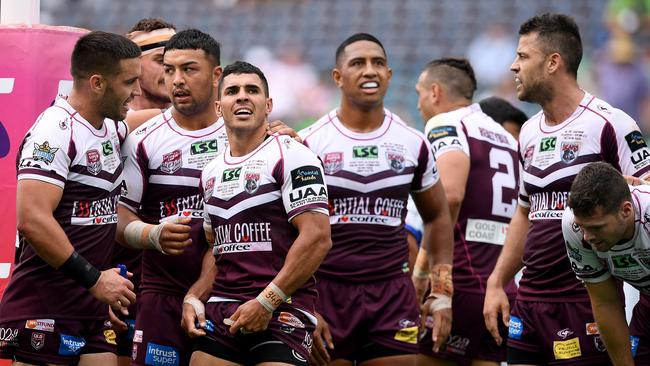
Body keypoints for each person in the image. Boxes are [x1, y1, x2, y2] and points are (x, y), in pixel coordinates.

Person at [482, 13, 650, 365]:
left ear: (553, 62)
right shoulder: (527, 132)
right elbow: (525, 212)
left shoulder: (610, 124)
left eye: (523, 56)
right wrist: (498, 281)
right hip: (528, 302)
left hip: (585, 301)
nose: (513, 67)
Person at [300, 33, 454, 366]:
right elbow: (289, 232)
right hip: (326, 295)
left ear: (389, 75)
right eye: (358, 63)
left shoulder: (413, 143)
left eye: (378, 63)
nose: (370, 71)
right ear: (338, 77)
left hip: (391, 296)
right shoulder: (309, 143)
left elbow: (439, 216)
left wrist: (441, 292)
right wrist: (301, 306)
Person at [0, 31, 140, 365]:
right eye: (129, 82)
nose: (137, 92)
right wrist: (95, 280)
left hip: (91, 306)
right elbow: (32, 219)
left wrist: (248, 125)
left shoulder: (112, 128)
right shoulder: (54, 131)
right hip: (45, 305)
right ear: (97, 83)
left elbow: (160, 121)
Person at [181, 60, 331, 365]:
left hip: (282, 308)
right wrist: (194, 296)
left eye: (252, 90)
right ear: (219, 106)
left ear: (269, 105)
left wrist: (266, 302)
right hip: (224, 307)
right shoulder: (210, 171)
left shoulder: (294, 155)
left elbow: (317, 238)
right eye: (233, 91)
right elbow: (215, 249)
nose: (243, 97)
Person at [116, 29, 226, 366]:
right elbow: (119, 217)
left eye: (189, 69)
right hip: (160, 296)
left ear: (216, 74)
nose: (176, 80)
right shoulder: (144, 139)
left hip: (228, 293)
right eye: (169, 69)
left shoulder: (243, 136)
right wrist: (152, 234)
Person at [413, 58, 519, 366]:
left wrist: (423, 273)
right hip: (499, 288)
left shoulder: (446, 123)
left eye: (419, 93)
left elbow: (450, 194)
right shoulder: (503, 136)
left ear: (434, 92)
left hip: (459, 282)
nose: (419, 103)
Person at [110, 17, 178, 366]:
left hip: (174, 288)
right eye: (163, 60)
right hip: (114, 283)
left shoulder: (210, 129)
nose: (175, 72)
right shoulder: (105, 125)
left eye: (183, 63)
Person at [562, 162, 650, 365]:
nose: (587, 237)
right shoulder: (573, 225)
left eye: (597, 228)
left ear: (626, 210)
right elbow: (606, 302)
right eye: (582, 226)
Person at [125, 18, 177, 111]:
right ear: (133, 64)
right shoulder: (109, 121)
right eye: (161, 60)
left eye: (179, 62)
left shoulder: (196, 120)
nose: (173, 70)